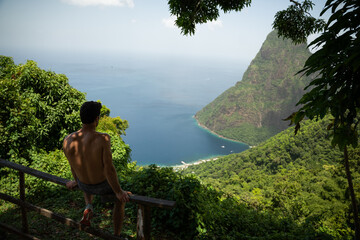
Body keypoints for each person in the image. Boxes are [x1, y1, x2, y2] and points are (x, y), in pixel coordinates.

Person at [63, 101, 130, 236]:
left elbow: (73, 165)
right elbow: (108, 169)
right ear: (96, 119)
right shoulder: (103, 138)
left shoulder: (68, 139)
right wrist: (118, 192)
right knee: (121, 200)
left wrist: (76, 181)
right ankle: (116, 235)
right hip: (102, 186)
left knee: (85, 173)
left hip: (83, 185)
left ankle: (88, 205)